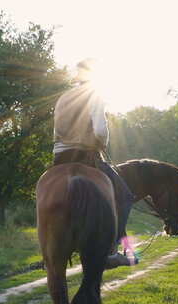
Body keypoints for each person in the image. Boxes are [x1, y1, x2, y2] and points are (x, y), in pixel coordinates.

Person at [52, 58, 136, 268]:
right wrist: (102, 143)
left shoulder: (62, 98)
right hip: (86, 155)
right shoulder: (94, 95)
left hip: (59, 158)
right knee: (125, 197)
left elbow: (56, 131)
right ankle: (113, 248)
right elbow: (100, 130)